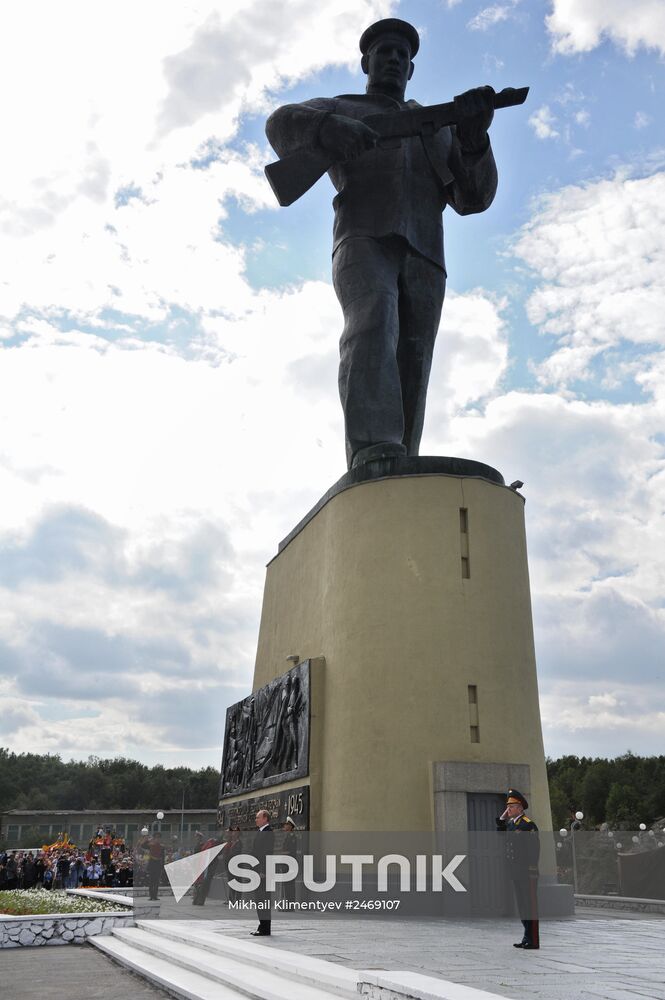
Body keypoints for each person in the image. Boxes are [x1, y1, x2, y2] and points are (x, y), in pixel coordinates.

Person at [266, 18, 497, 469]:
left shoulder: (439, 127)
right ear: (365, 62)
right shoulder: (342, 107)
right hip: (364, 237)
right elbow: (279, 125)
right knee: (373, 322)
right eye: (385, 51)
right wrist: (328, 128)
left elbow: (473, 199)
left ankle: (400, 463)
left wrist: (473, 140)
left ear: (411, 69)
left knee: (415, 354)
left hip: (426, 251)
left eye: (402, 55)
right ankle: (373, 446)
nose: (394, 58)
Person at [496, 788, 540, 949]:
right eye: (508, 807)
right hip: (516, 872)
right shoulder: (511, 824)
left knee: (530, 906)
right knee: (522, 906)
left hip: (527, 872)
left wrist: (532, 870)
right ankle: (526, 937)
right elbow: (500, 834)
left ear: (520, 807)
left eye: (512, 806)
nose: (509, 809)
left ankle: (534, 940)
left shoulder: (528, 825)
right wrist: (501, 818)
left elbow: (534, 850)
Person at [251, 809, 274, 936]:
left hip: (263, 873)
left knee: (263, 899)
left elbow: (267, 853)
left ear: (265, 818)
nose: (256, 819)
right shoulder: (260, 832)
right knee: (259, 900)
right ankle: (262, 926)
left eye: (258, 817)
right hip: (257, 872)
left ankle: (265, 929)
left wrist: (263, 871)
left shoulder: (268, 832)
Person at [147, 832, 165, 901]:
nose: (157, 839)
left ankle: (155, 896)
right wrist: (149, 839)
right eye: (156, 837)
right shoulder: (151, 845)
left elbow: (163, 857)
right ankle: (151, 896)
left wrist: (162, 866)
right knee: (151, 881)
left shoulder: (162, 847)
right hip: (152, 865)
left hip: (158, 865)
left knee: (156, 882)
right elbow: (143, 845)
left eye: (158, 837)